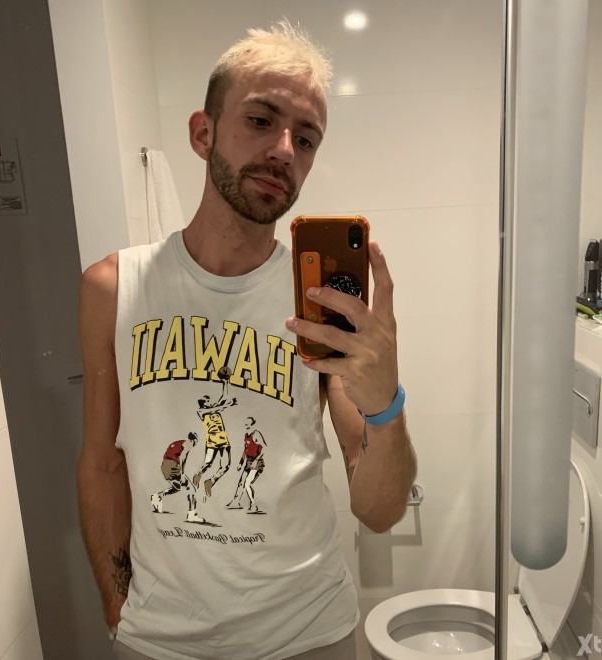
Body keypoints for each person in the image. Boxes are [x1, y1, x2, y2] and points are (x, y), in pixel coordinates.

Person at [77, 20, 416, 660]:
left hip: (308, 633)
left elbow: (379, 510)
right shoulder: (112, 289)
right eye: (261, 120)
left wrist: (385, 404)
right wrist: (116, 607)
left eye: (306, 138)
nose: (286, 150)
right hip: (157, 640)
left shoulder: (318, 303)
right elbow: (101, 462)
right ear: (202, 133)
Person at [226, 416, 268, 514]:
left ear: (253, 424)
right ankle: (236, 502)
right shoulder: (246, 435)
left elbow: (264, 448)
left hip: (257, 463)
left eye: (248, 424)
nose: (246, 425)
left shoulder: (256, 434)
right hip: (248, 462)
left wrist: (256, 460)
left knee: (247, 483)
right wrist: (241, 462)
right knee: (241, 482)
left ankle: (253, 505)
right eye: (245, 424)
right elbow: (245, 450)